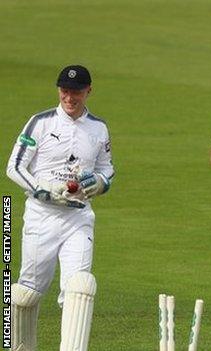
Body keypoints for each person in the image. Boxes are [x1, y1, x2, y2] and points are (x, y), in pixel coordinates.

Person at [6, 65, 114, 351]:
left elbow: (107, 169)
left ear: (88, 91)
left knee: (79, 286)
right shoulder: (40, 122)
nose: (70, 97)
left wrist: (100, 183)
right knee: (26, 293)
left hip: (78, 217)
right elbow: (14, 167)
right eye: (65, 90)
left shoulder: (98, 128)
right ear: (58, 90)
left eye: (76, 91)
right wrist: (42, 188)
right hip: (42, 217)